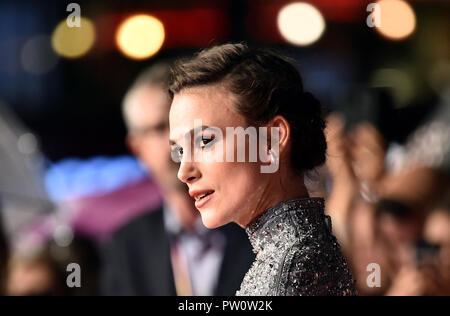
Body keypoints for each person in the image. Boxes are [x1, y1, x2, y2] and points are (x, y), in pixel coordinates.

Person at [168, 43, 357, 296]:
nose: (184, 172)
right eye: (179, 151)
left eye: (204, 141)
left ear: (270, 141)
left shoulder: (294, 268)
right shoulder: (297, 256)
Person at [101, 62, 254, 296]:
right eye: (161, 128)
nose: (177, 145)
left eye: (189, 131)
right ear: (136, 147)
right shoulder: (126, 245)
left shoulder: (260, 228)